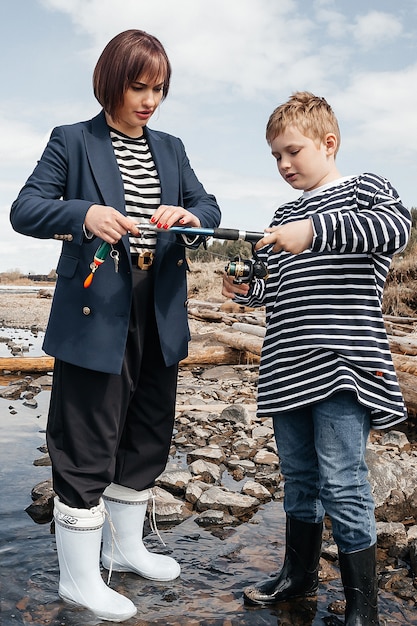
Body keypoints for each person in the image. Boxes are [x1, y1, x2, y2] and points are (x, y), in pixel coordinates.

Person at [11, 29, 221, 622]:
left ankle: (125, 550)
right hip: (94, 317)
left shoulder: (173, 149)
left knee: (148, 429)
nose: (150, 99)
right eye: (139, 86)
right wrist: (84, 214)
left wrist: (190, 216)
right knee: (85, 440)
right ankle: (79, 580)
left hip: (159, 313)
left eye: (159, 88)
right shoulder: (72, 141)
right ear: (110, 82)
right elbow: (24, 209)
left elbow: (209, 209)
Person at [222, 91, 410, 625]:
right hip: (286, 367)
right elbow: (276, 288)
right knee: (300, 477)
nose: (283, 164)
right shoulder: (282, 213)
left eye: (293, 151)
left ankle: (363, 606)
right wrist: (248, 287)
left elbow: (397, 230)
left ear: (328, 143)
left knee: (342, 478)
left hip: (343, 364)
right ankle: (298, 575)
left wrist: (314, 232)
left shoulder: (365, 190)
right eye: (275, 156)